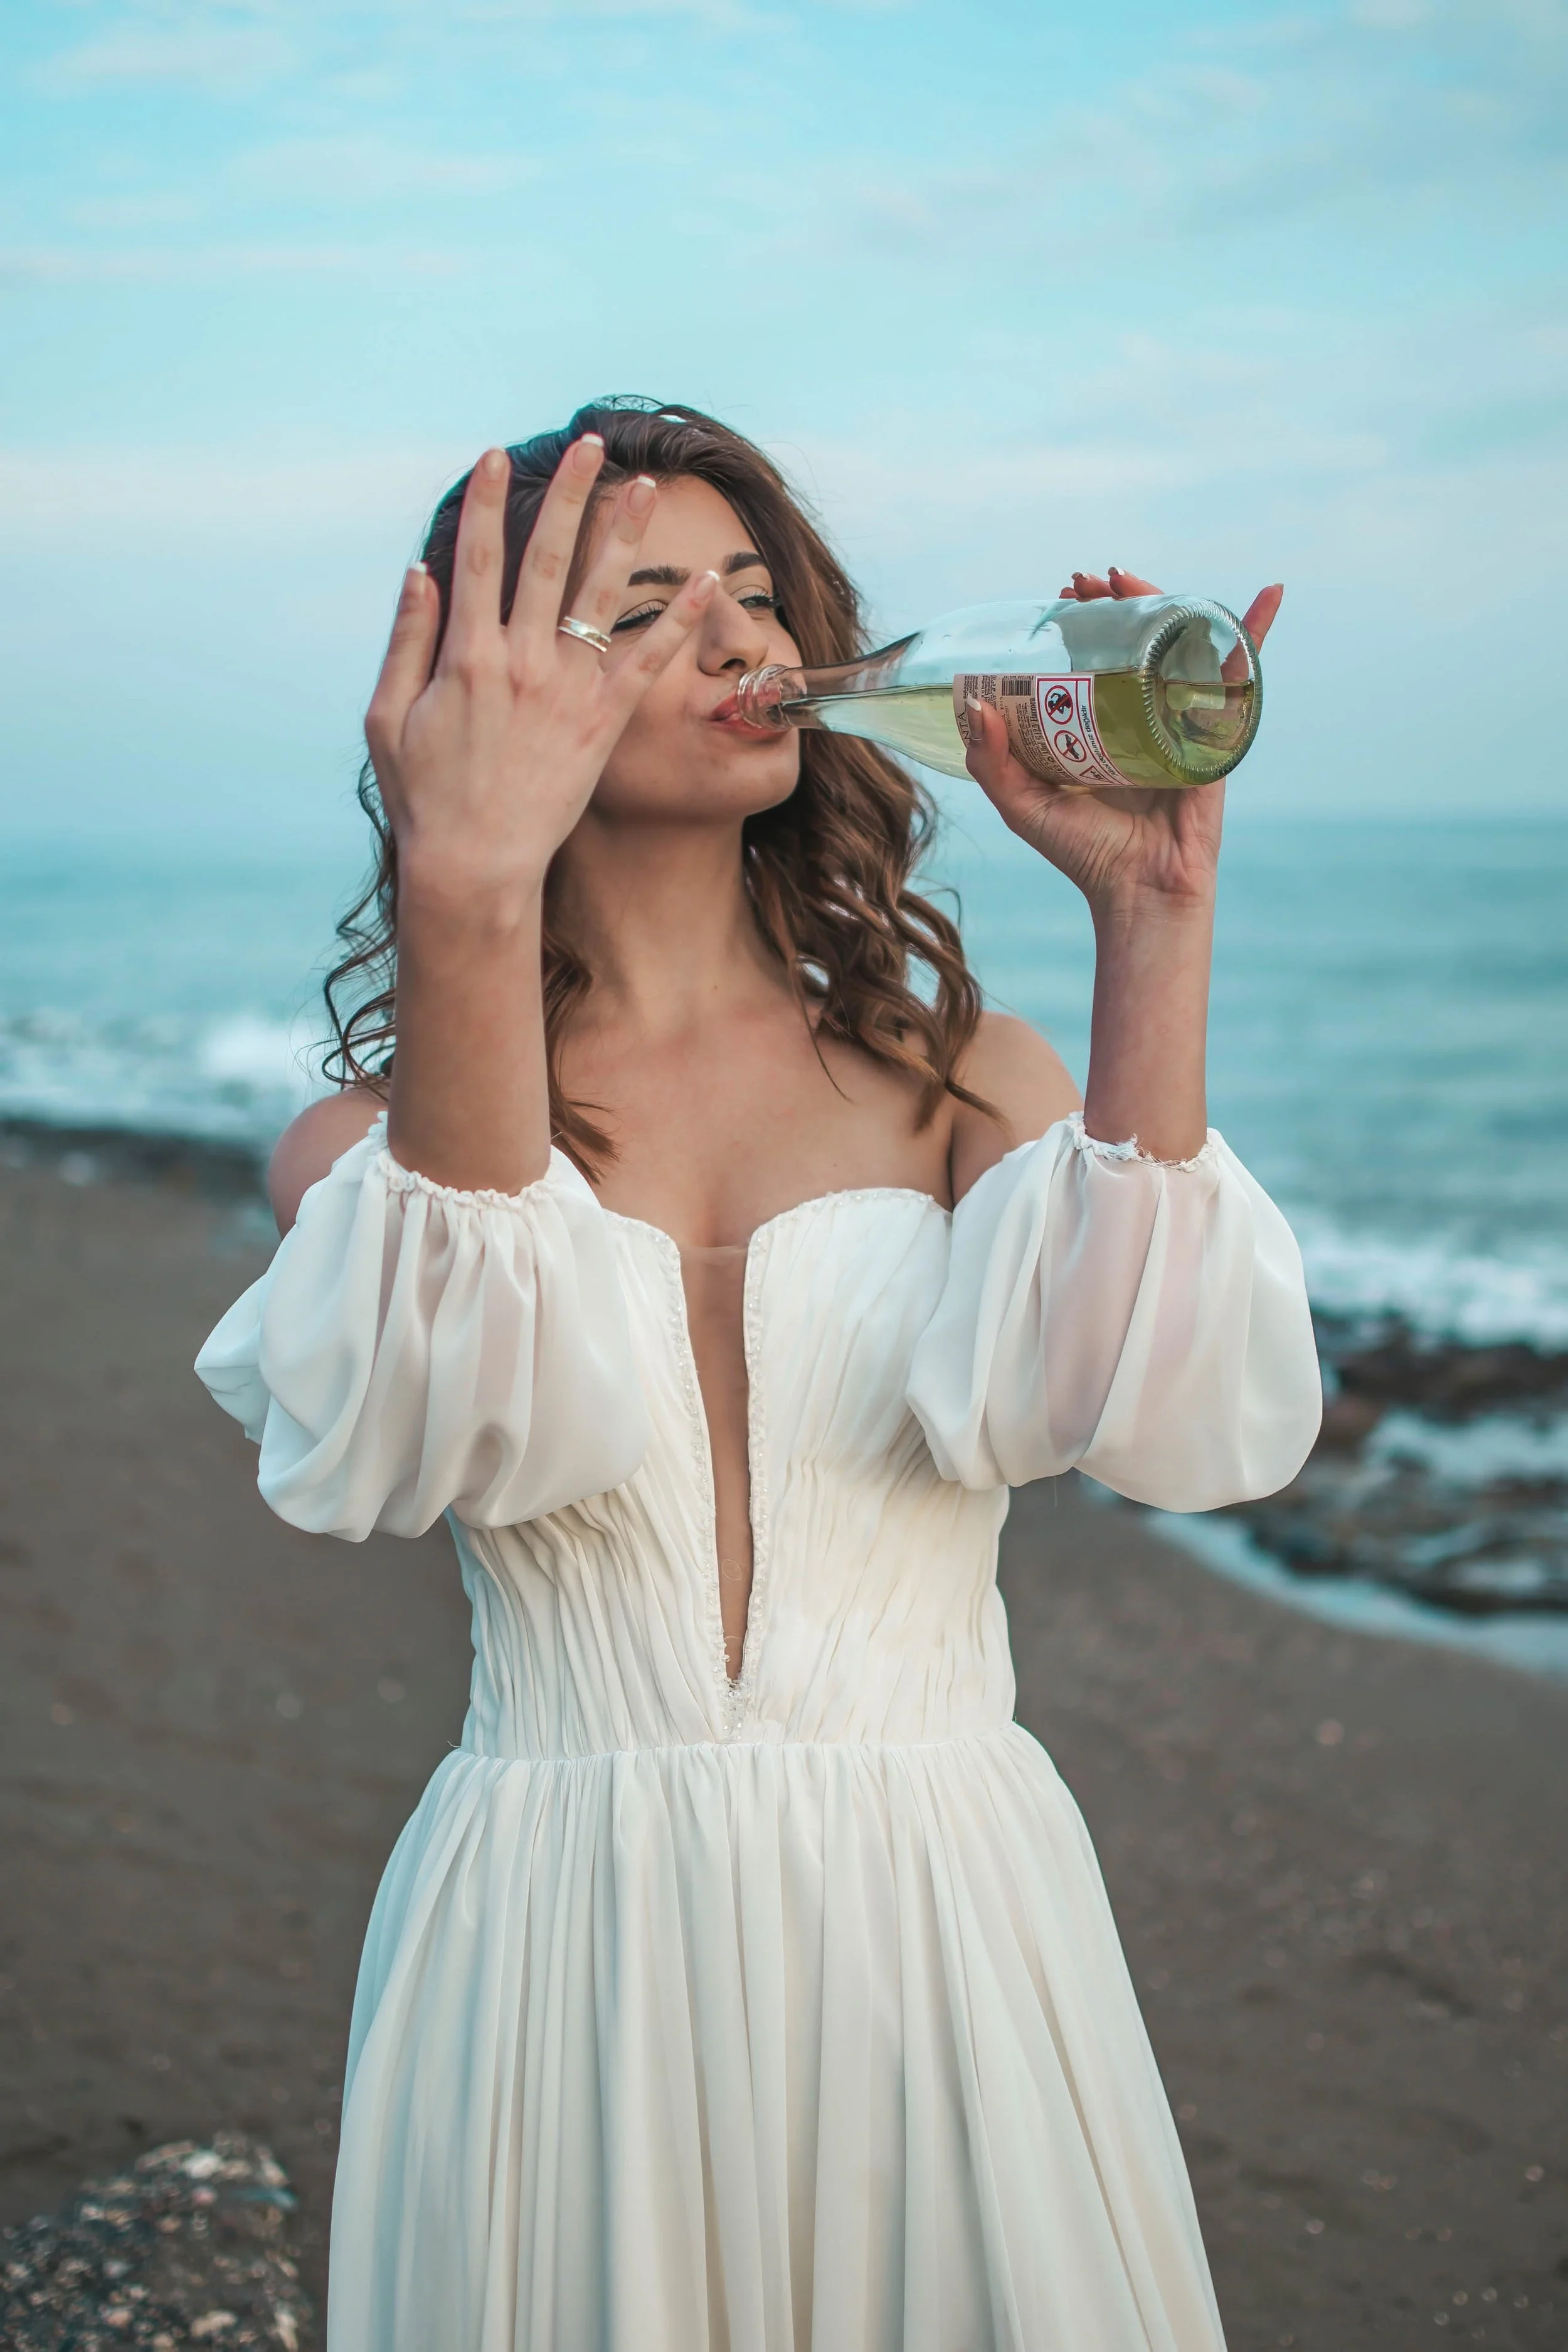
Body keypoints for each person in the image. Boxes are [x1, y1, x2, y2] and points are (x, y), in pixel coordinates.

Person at [196, 397, 1322, 2351]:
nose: (738, 642)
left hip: (947, 1915)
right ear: (493, 685)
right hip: (560, 1938)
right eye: (643, 606)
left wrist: (1153, 918)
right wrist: (466, 880)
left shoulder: (959, 1079)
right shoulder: (363, 1154)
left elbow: (1150, 1413)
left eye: (751, 589)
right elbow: (467, 1415)